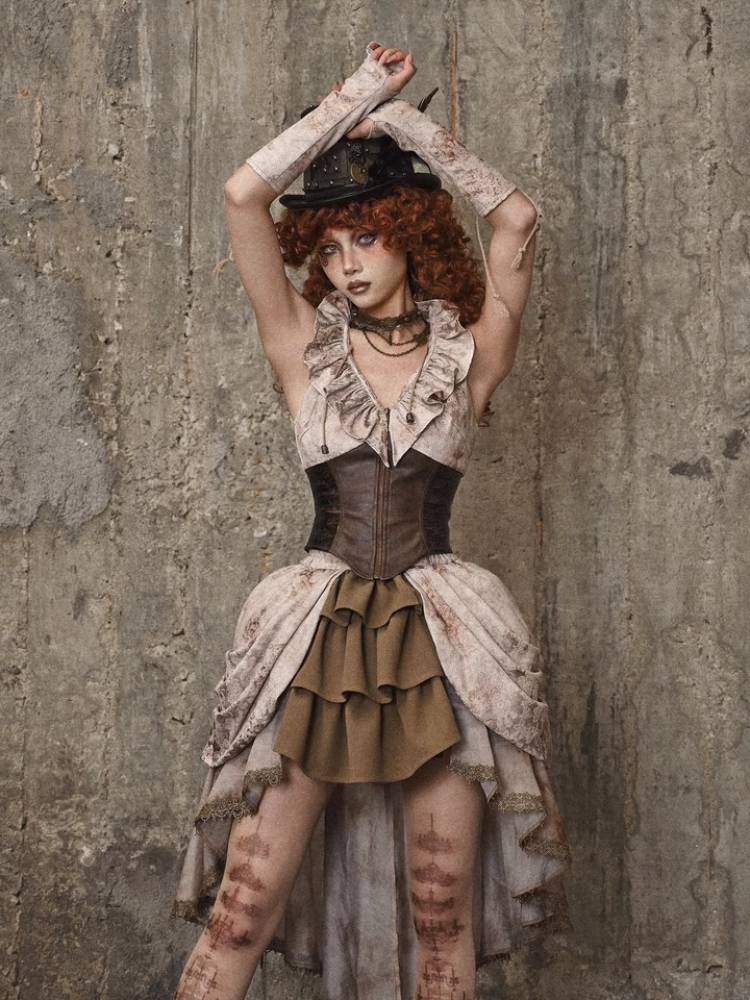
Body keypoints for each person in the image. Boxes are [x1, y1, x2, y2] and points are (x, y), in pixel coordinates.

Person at [171, 40, 572, 1000]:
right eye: (330, 246)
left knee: (441, 918)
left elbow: (517, 218)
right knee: (241, 909)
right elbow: (241, 197)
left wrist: (408, 128)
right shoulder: (300, 347)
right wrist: (353, 99)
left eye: (366, 237)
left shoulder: (472, 355)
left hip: (442, 639)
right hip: (317, 633)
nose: (346, 265)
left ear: (409, 232)